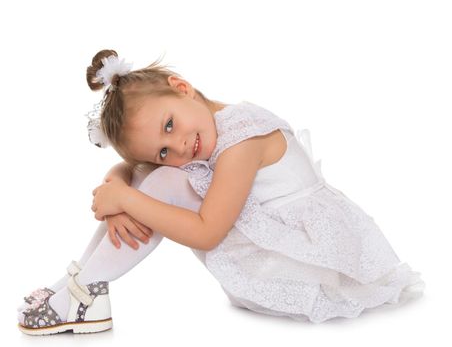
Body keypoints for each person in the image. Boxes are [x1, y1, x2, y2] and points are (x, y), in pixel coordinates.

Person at [17, 49, 425, 335]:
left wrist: (125, 198)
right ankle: (80, 285)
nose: (177, 147)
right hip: (259, 251)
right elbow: (131, 168)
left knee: (160, 184)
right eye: (162, 149)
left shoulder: (243, 137)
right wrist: (119, 186)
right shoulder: (202, 130)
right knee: (155, 181)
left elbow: (208, 232)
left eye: (170, 126)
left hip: (300, 267)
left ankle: (85, 293)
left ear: (182, 87)